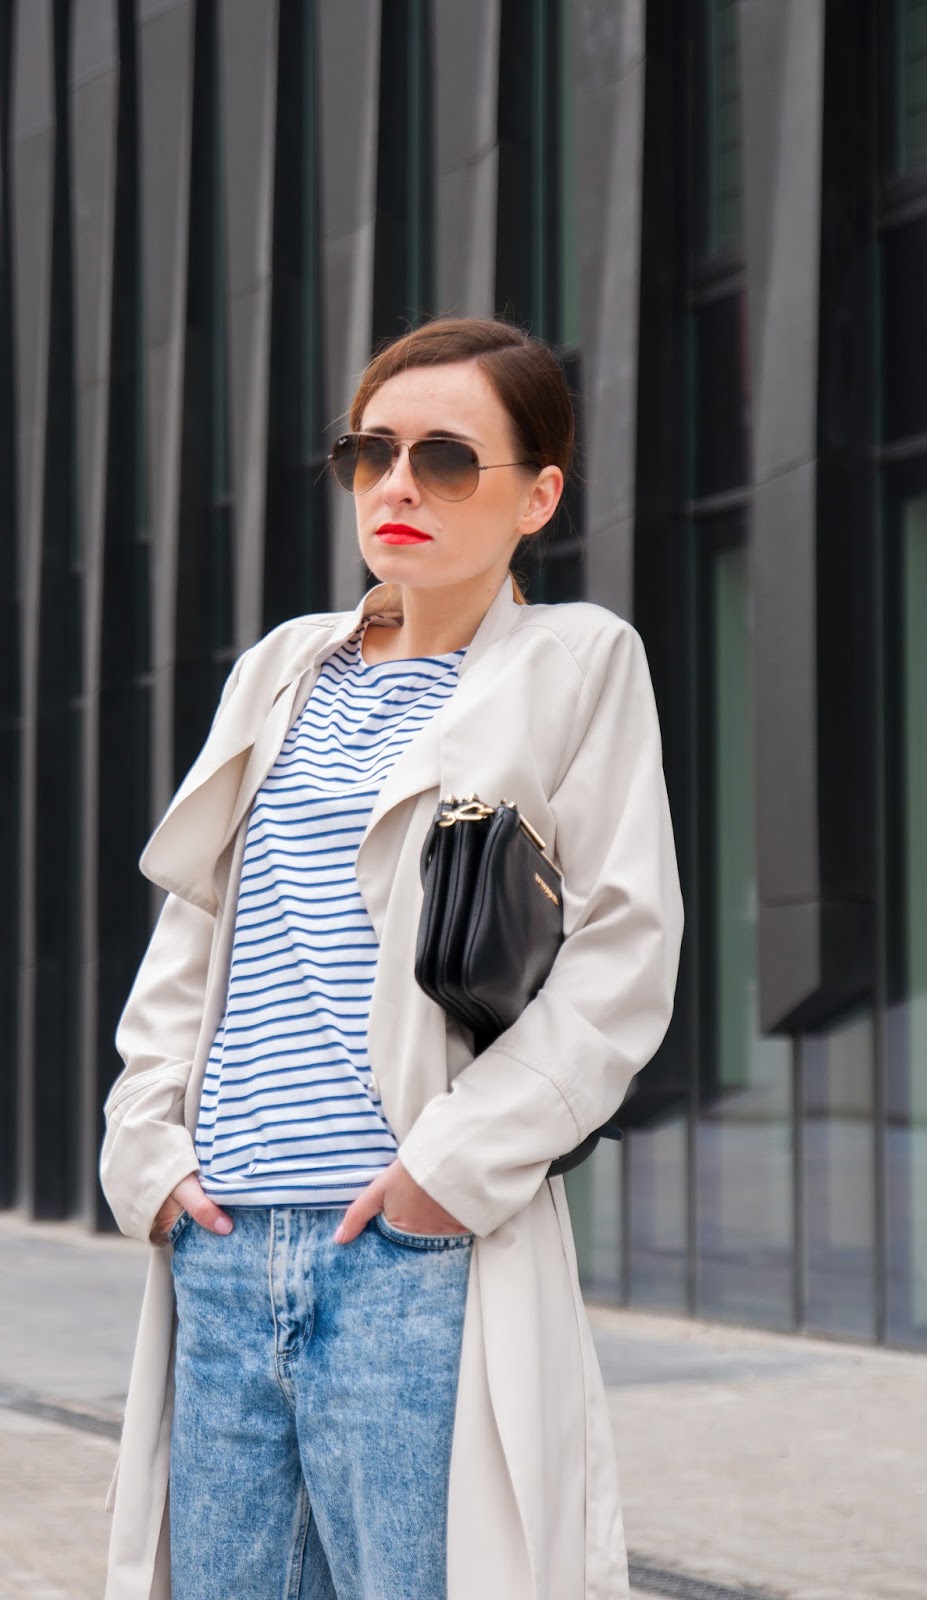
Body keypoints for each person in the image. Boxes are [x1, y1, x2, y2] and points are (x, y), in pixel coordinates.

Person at [99, 315, 683, 1600]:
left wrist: (445, 1174)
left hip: (408, 1249)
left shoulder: (576, 662)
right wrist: (147, 1149)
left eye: (446, 459)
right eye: (371, 453)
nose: (397, 486)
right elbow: (195, 925)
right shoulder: (282, 668)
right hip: (223, 1239)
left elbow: (622, 955)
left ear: (537, 496)